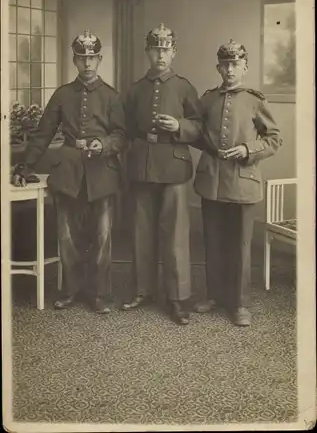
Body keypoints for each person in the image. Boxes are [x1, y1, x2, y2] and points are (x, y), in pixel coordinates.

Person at [12, 30, 127, 314]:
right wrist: (25, 164)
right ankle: (71, 289)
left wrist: (104, 144)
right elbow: (43, 134)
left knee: (102, 235)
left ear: (100, 59)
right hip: (68, 171)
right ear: (74, 60)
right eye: (82, 58)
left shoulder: (112, 96)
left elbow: (123, 136)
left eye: (92, 58)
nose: (87, 64)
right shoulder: (62, 94)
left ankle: (100, 293)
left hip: (102, 171)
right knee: (66, 234)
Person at [193, 39, 282, 327]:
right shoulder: (206, 99)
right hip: (212, 181)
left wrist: (247, 149)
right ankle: (214, 295)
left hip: (243, 181)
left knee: (241, 246)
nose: (230, 69)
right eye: (225, 64)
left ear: (245, 66)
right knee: (213, 241)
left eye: (235, 64)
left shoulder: (255, 100)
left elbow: (274, 139)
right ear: (218, 67)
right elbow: (196, 133)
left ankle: (241, 303)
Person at [120, 23, 201, 325]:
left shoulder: (184, 87)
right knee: (141, 232)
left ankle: (178, 299)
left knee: (176, 235)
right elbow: (125, 128)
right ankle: (143, 290)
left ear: (174, 52)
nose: (160, 55)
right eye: (155, 49)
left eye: (166, 49)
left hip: (174, 165)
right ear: (147, 52)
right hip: (142, 165)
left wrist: (180, 126)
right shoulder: (136, 88)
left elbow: (200, 127)